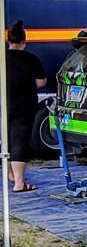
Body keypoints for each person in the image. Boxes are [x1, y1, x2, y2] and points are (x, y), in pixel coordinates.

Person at [5, 21, 45, 193]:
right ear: (24, 41)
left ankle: (10, 175)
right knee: (19, 142)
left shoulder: (1, 58)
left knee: (5, 142)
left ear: (8, 41)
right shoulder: (31, 59)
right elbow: (41, 82)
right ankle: (19, 183)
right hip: (24, 106)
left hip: (5, 104)